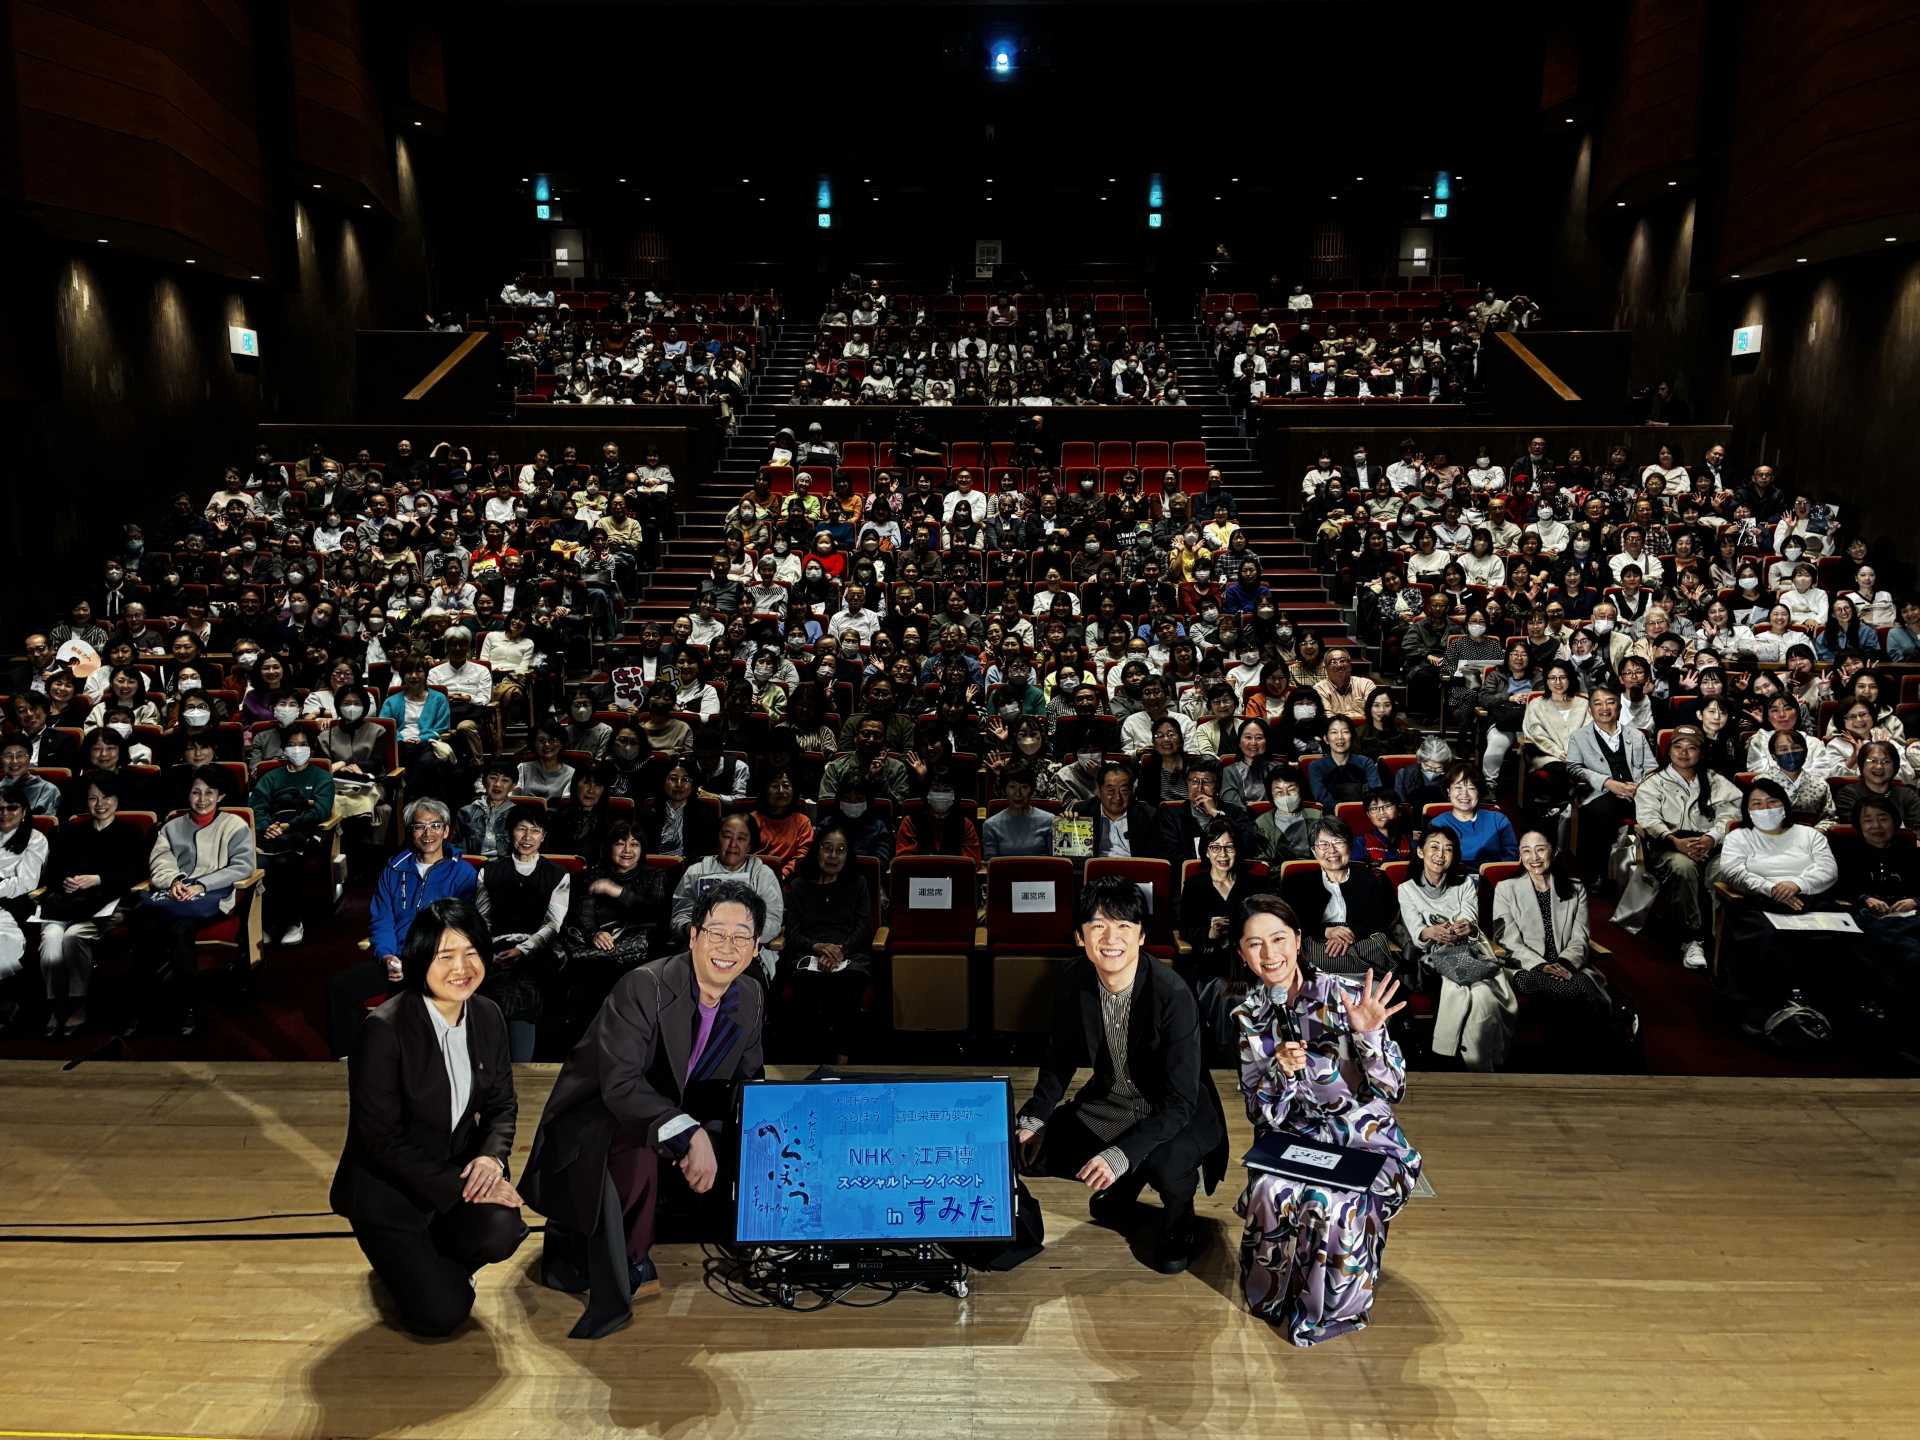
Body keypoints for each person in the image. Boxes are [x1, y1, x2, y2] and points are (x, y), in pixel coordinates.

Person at [523, 880, 768, 1339]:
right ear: (693, 936)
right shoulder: (645, 984)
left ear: (756, 949)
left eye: (741, 937)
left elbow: (747, 1084)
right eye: (716, 933)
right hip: (598, 1119)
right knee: (637, 1147)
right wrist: (691, 1135)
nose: (727, 947)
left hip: (675, 1112)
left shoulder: (749, 995)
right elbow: (621, 1086)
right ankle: (625, 1259)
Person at [328, 898, 526, 1337]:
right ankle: (415, 1267)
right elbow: (379, 1141)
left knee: (504, 1229)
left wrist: (490, 1163)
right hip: (390, 1192)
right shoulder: (384, 1029)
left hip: (453, 1174)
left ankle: (432, 1264)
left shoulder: (488, 1015)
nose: (463, 967)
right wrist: (461, 1189)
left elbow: (501, 1106)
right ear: (420, 960)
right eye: (446, 956)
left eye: (472, 952)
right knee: (441, 1317)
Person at [1015, 876, 1228, 1275]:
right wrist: (1034, 1116)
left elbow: (1181, 1101)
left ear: (1142, 935)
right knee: (1027, 1152)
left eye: (1124, 926)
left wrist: (1121, 1155)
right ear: (1080, 937)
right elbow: (1059, 1059)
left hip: (1174, 1111)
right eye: (1098, 926)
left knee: (1166, 1163)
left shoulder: (1173, 994)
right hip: (1111, 1101)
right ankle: (1125, 1185)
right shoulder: (1073, 979)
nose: (1111, 938)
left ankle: (1179, 1219)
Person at [1231, 895, 1419, 1346]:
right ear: (1242, 953)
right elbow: (1259, 1113)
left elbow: (1394, 1089)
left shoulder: (1349, 994)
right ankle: (1269, 1295)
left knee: (1332, 1203)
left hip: (1365, 1142)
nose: (1269, 954)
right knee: (1271, 1190)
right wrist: (1279, 1068)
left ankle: (1329, 1312)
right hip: (1295, 1141)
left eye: (1278, 939)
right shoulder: (1250, 1016)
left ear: (1298, 941)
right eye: (1255, 945)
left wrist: (1369, 1035)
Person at [326, 797, 481, 1058]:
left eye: (435, 826)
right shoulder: (394, 869)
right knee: (340, 988)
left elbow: (460, 929)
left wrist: (426, 958)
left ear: (446, 831)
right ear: (411, 832)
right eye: (419, 826)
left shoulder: (463, 873)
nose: (427, 833)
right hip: (396, 958)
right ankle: (349, 1060)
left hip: (436, 961)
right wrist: (386, 956)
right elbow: (381, 920)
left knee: (416, 1003)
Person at [122, 765, 256, 1039]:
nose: (202, 798)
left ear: (221, 796)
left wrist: (201, 885)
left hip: (213, 898)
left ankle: (188, 1006)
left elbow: (243, 866)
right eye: (196, 792)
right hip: (175, 894)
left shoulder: (234, 825)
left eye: (209, 792)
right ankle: (140, 1006)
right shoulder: (172, 827)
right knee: (139, 921)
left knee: (180, 928)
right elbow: (160, 862)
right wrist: (175, 882)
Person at [1716, 779, 1840, 1031]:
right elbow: (1732, 871)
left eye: (1772, 801)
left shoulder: (1809, 834)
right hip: (1759, 899)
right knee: (1765, 935)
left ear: (1784, 804)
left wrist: (1797, 884)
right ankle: (1763, 1007)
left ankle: (1830, 1007)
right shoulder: (1740, 836)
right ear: (1747, 810)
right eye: (1757, 804)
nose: (1765, 808)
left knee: (1840, 935)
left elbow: (1829, 870)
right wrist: (1771, 888)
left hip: (1809, 897)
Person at [34, 770, 147, 1037]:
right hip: (67, 904)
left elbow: (135, 876)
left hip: (104, 907)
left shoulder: (130, 833)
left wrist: (96, 880)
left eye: (106, 797)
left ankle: (78, 1005)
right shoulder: (71, 831)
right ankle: (55, 1005)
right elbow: (52, 873)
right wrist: (65, 883)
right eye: (93, 798)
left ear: (118, 800)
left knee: (73, 937)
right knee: (50, 938)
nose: (100, 804)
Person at [1400, 824, 1514, 1070]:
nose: (1440, 854)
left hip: (1465, 952)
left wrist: (1465, 927)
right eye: (1434, 847)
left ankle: (1474, 1061)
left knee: (1484, 996)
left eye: (1448, 849)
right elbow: (1416, 929)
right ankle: (1458, 1058)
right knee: (1468, 989)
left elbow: (1469, 918)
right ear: (1420, 852)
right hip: (1430, 958)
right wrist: (1431, 932)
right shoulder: (1406, 889)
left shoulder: (1465, 884)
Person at [1634, 726, 1744, 971]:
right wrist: (1676, 842)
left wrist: (1711, 839)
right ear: (1669, 750)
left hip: (1708, 845)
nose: (1684, 753)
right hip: (1668, 846)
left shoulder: (1714, 780)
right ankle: (1692, 938)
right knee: (1684, 867)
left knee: (1727, 869)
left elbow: (1730, 814)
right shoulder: (1654, 782)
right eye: (1678, 746)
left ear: (1701, 753)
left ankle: (1722, 937)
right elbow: (1648, 819)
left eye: (1691, 747)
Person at [1492, 829, 1613, 1037]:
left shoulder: (1575, 889)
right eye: (1526, 851)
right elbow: (1507, 941)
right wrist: (1542, 966)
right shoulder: (1506, 889)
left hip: (1568, 965)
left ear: (1554, 851)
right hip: (1525, 968)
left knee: (1582, 986)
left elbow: (1579, 937)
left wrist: (1564, 964)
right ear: (1520, 855)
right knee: (1571, 992)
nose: (1534, 858)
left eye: (1540, 850)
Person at [475, 810, 572, 1061]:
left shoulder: (558, 874)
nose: (527, 836)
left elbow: (553, 924)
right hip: (497, 947)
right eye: (522, 828)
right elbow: (481, 920)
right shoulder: (490, 871)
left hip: (540, 948)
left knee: (523, 982)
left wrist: (523, 950)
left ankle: (521, 1066)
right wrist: (489, 952)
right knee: (497, 981)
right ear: (510, 832)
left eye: (535, 830)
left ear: (543, 837)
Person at [777, 818, 875, 1065]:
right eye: (827, 848)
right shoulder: (799, 886)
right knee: (807, 984)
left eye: (840, 850)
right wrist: (817, 948)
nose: (833, 855)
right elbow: (793, 932)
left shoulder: (858, 884)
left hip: (848, 953)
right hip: (807, 952)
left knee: (848, 983)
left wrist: (840, 951)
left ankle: (843, 1057)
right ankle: (809, 1059)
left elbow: (864, 927)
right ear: (817, 850)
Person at [247, 720, 335, 947]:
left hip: (304, 834)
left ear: (311, 748)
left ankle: (292, 922)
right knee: (262, 862)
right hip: (270, 834)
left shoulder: (322, 777)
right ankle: (268, 922)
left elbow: (321, 810)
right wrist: (268, 826)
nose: (297, 749)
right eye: (292, 744)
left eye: (303, 744)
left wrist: (289, 826)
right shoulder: (271, 777)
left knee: (286, 860)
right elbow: (257, 807)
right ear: (284, 749)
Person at [1278, 818, 1399, 976]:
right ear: (1314, 851)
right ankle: (1361, 974)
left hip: (1361, 938)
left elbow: (1382, 918)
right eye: (1323, 845)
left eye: (1338, 842)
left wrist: (1350, 933)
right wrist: (1326, 931)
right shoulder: (1297, 882)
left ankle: (1335, 976)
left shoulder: (1371, 877)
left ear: (1349, 846)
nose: (1332, 850)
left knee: (1376, 946)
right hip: (1319, 940)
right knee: (1313, 953)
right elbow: (1289, 922)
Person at [668, 813, 785, 976]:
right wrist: (691, 929)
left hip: (746, 953)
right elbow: (679, 917)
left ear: (750, 845)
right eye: (727, 836)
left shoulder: (763, 875)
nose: (733, 845)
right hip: (701, 948)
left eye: (741, 838)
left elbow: (773, 922)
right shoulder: (696, 871)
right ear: (718, 838)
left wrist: (740, 936)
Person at [1564, 685, 1657, 889]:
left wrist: (1639, 786)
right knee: (1601, 811)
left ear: (1619, 708)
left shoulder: (1636, 735)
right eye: (1597, 703)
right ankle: (1597, 871)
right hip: (1600, 793)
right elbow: (1573, 768)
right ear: (1590, 710)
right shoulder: (1579, 737)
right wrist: (1607, 782)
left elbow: (1652, 768)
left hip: (1637, 792)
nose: (1604, 708)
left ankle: (1650, 874)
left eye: (1610, 702)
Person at [1175, 816, 1262, 996]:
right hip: (1209, 961)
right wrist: (1209, 933)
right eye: (1215, 847)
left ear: (1237, 849)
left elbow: (1268, 922)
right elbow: (1185, 929)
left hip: (1247, 960)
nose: (1222, 854)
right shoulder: (1194, 885)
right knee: (1222, 991)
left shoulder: (1255, 884)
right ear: (1206, 852)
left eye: (1229, 847)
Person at [0, 782, 51, 1029]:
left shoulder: (35, 838)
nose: (5, 813)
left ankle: (9, 1004)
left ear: (24, 811)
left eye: (12, 807)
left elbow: (26, 883)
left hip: (16, 904)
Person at [1428, 763, 1518, 867]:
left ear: (1479, 792)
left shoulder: (1498, 820)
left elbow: (1511, 856)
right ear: (1448, 791)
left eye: (1471, 788)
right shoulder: (1438, 824)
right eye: (1458, 787)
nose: (1464, 794)